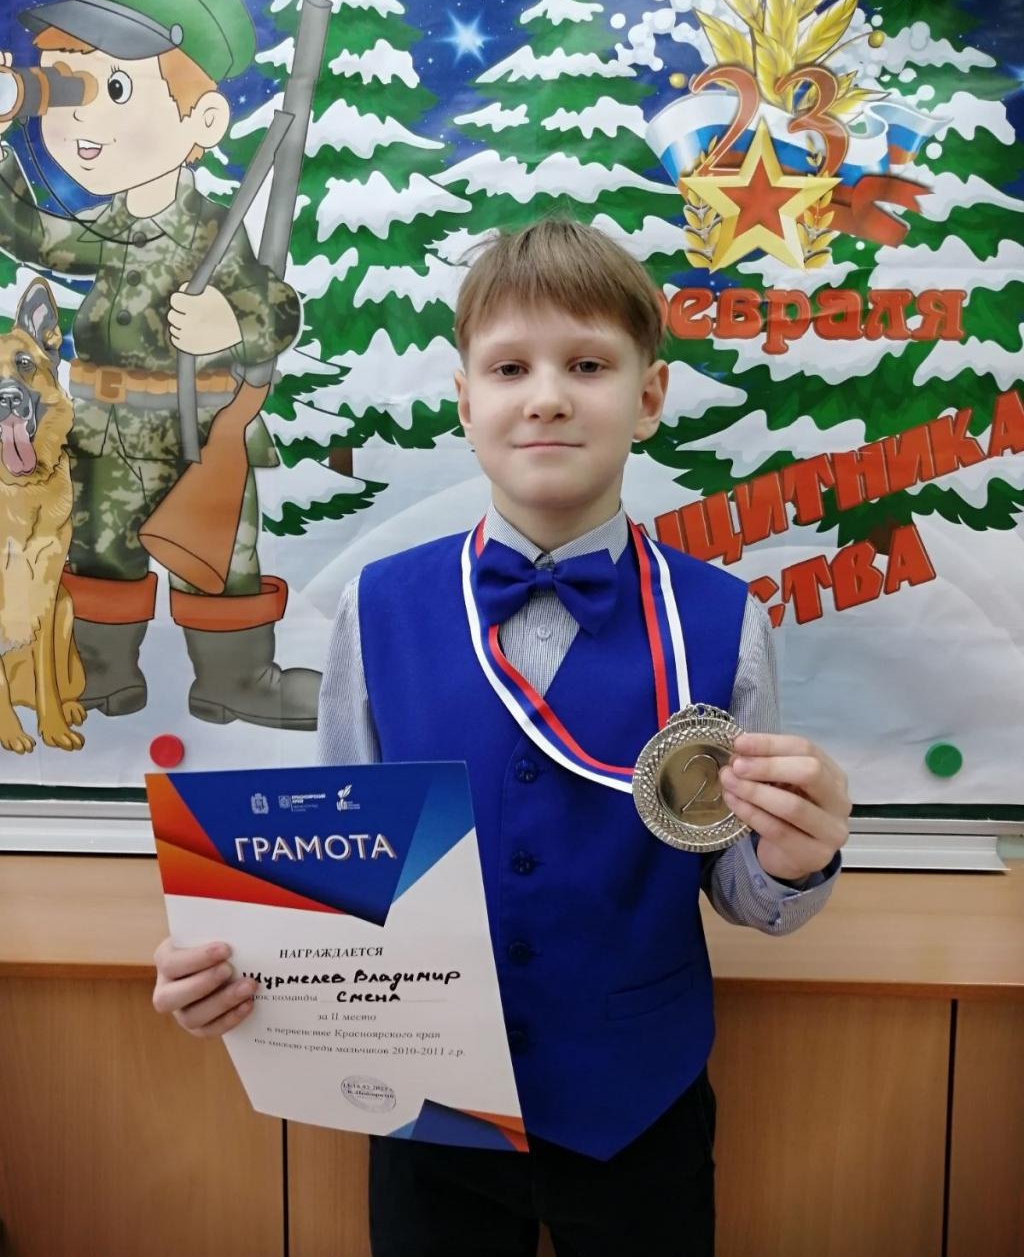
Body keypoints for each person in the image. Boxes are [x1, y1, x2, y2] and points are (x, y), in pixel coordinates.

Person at [153, 219, 851, 1255]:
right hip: (427, 1106)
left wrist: (793, 863)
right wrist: (241, 959)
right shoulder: (378, 607)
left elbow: (739, 887)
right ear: (464, 398)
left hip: (640, 1103)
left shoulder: (722, 621)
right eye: (510, 367)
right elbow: (343, 865)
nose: (547, 397)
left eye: (588, 365)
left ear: (649, 396)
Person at [0, 0, 318, 730]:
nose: (80, 119)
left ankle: (235, 678)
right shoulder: (104, 229)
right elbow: (27, 230)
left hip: (196, 426)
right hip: (105, 432)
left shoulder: (212, 230)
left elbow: (277, 307)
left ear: (202, 118)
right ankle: (101, 672)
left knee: (223, 561)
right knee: (99, 555)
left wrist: (231, 328)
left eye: (112, 87)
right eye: (66, 87)